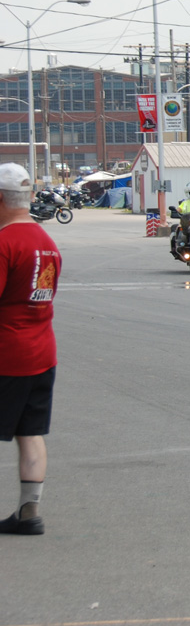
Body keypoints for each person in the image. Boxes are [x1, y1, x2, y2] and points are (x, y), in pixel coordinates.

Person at [0, 164, 61, 536]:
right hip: (42, 352)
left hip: (7, 353)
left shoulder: (5, 243)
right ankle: (29, 512)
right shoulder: (47, 242)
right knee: (30, 432)